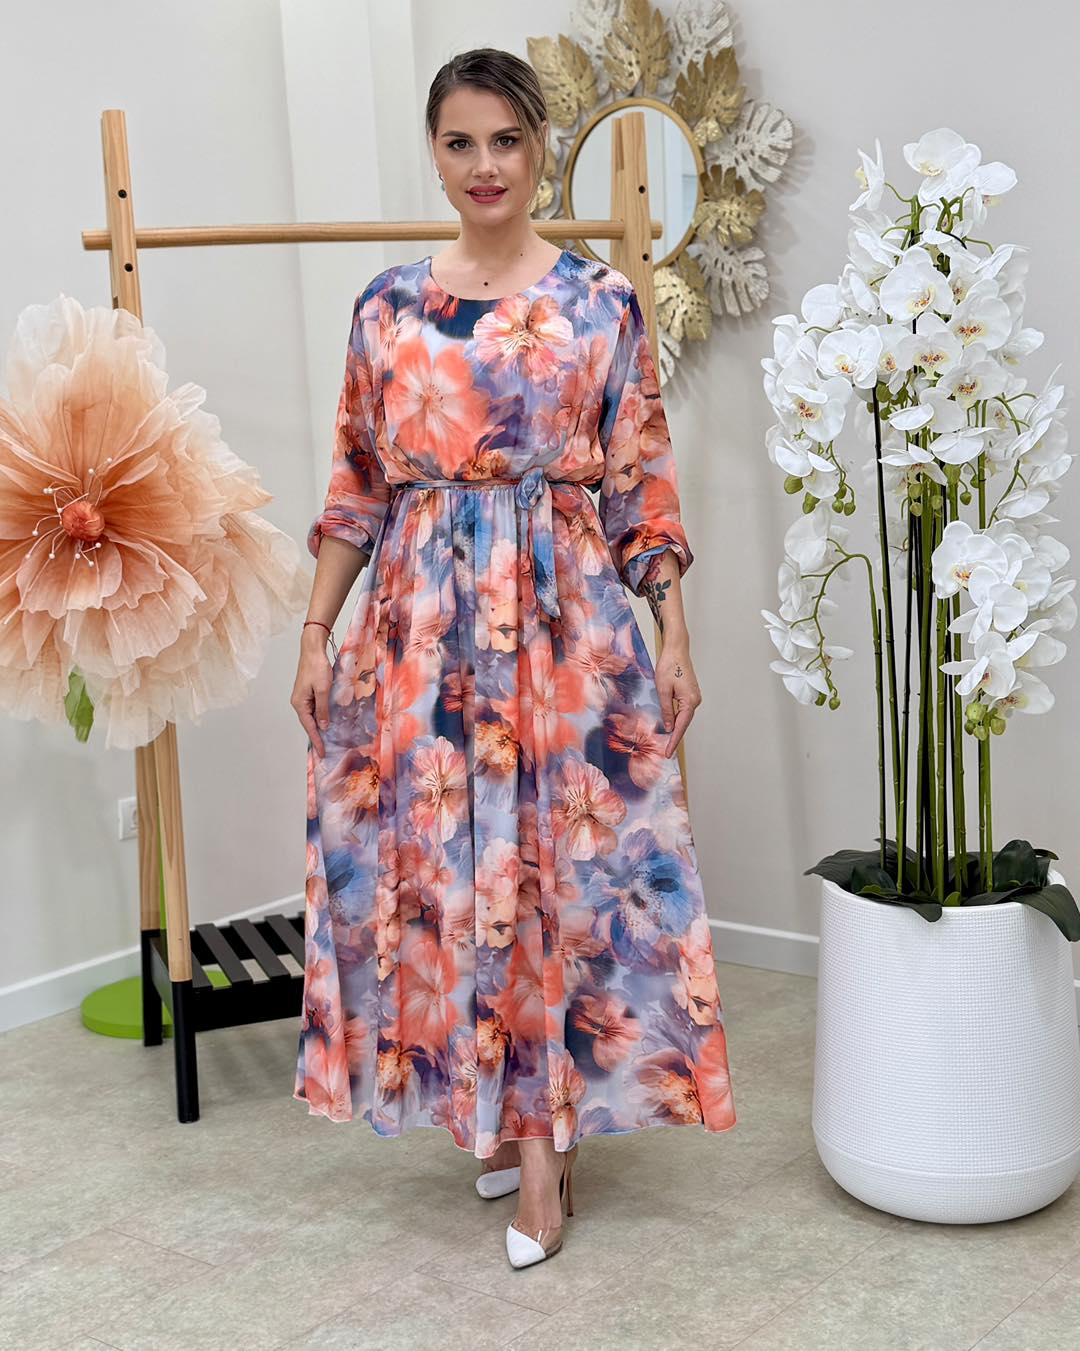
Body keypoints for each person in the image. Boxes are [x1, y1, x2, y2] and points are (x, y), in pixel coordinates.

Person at [290, 46, 735, 1270]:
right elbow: (355, 486)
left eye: (506, 140)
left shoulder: (602, 302)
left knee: (554, 874)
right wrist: (316, 632)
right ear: (435, 154)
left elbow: (642, 485)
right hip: (421, 638)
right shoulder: (386, 309)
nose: (485, 165)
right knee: (448, 873)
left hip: (565, 628)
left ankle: (543, 1152)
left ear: (540, 148)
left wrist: (675, 631)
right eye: (460, 142)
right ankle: (501, 1112)